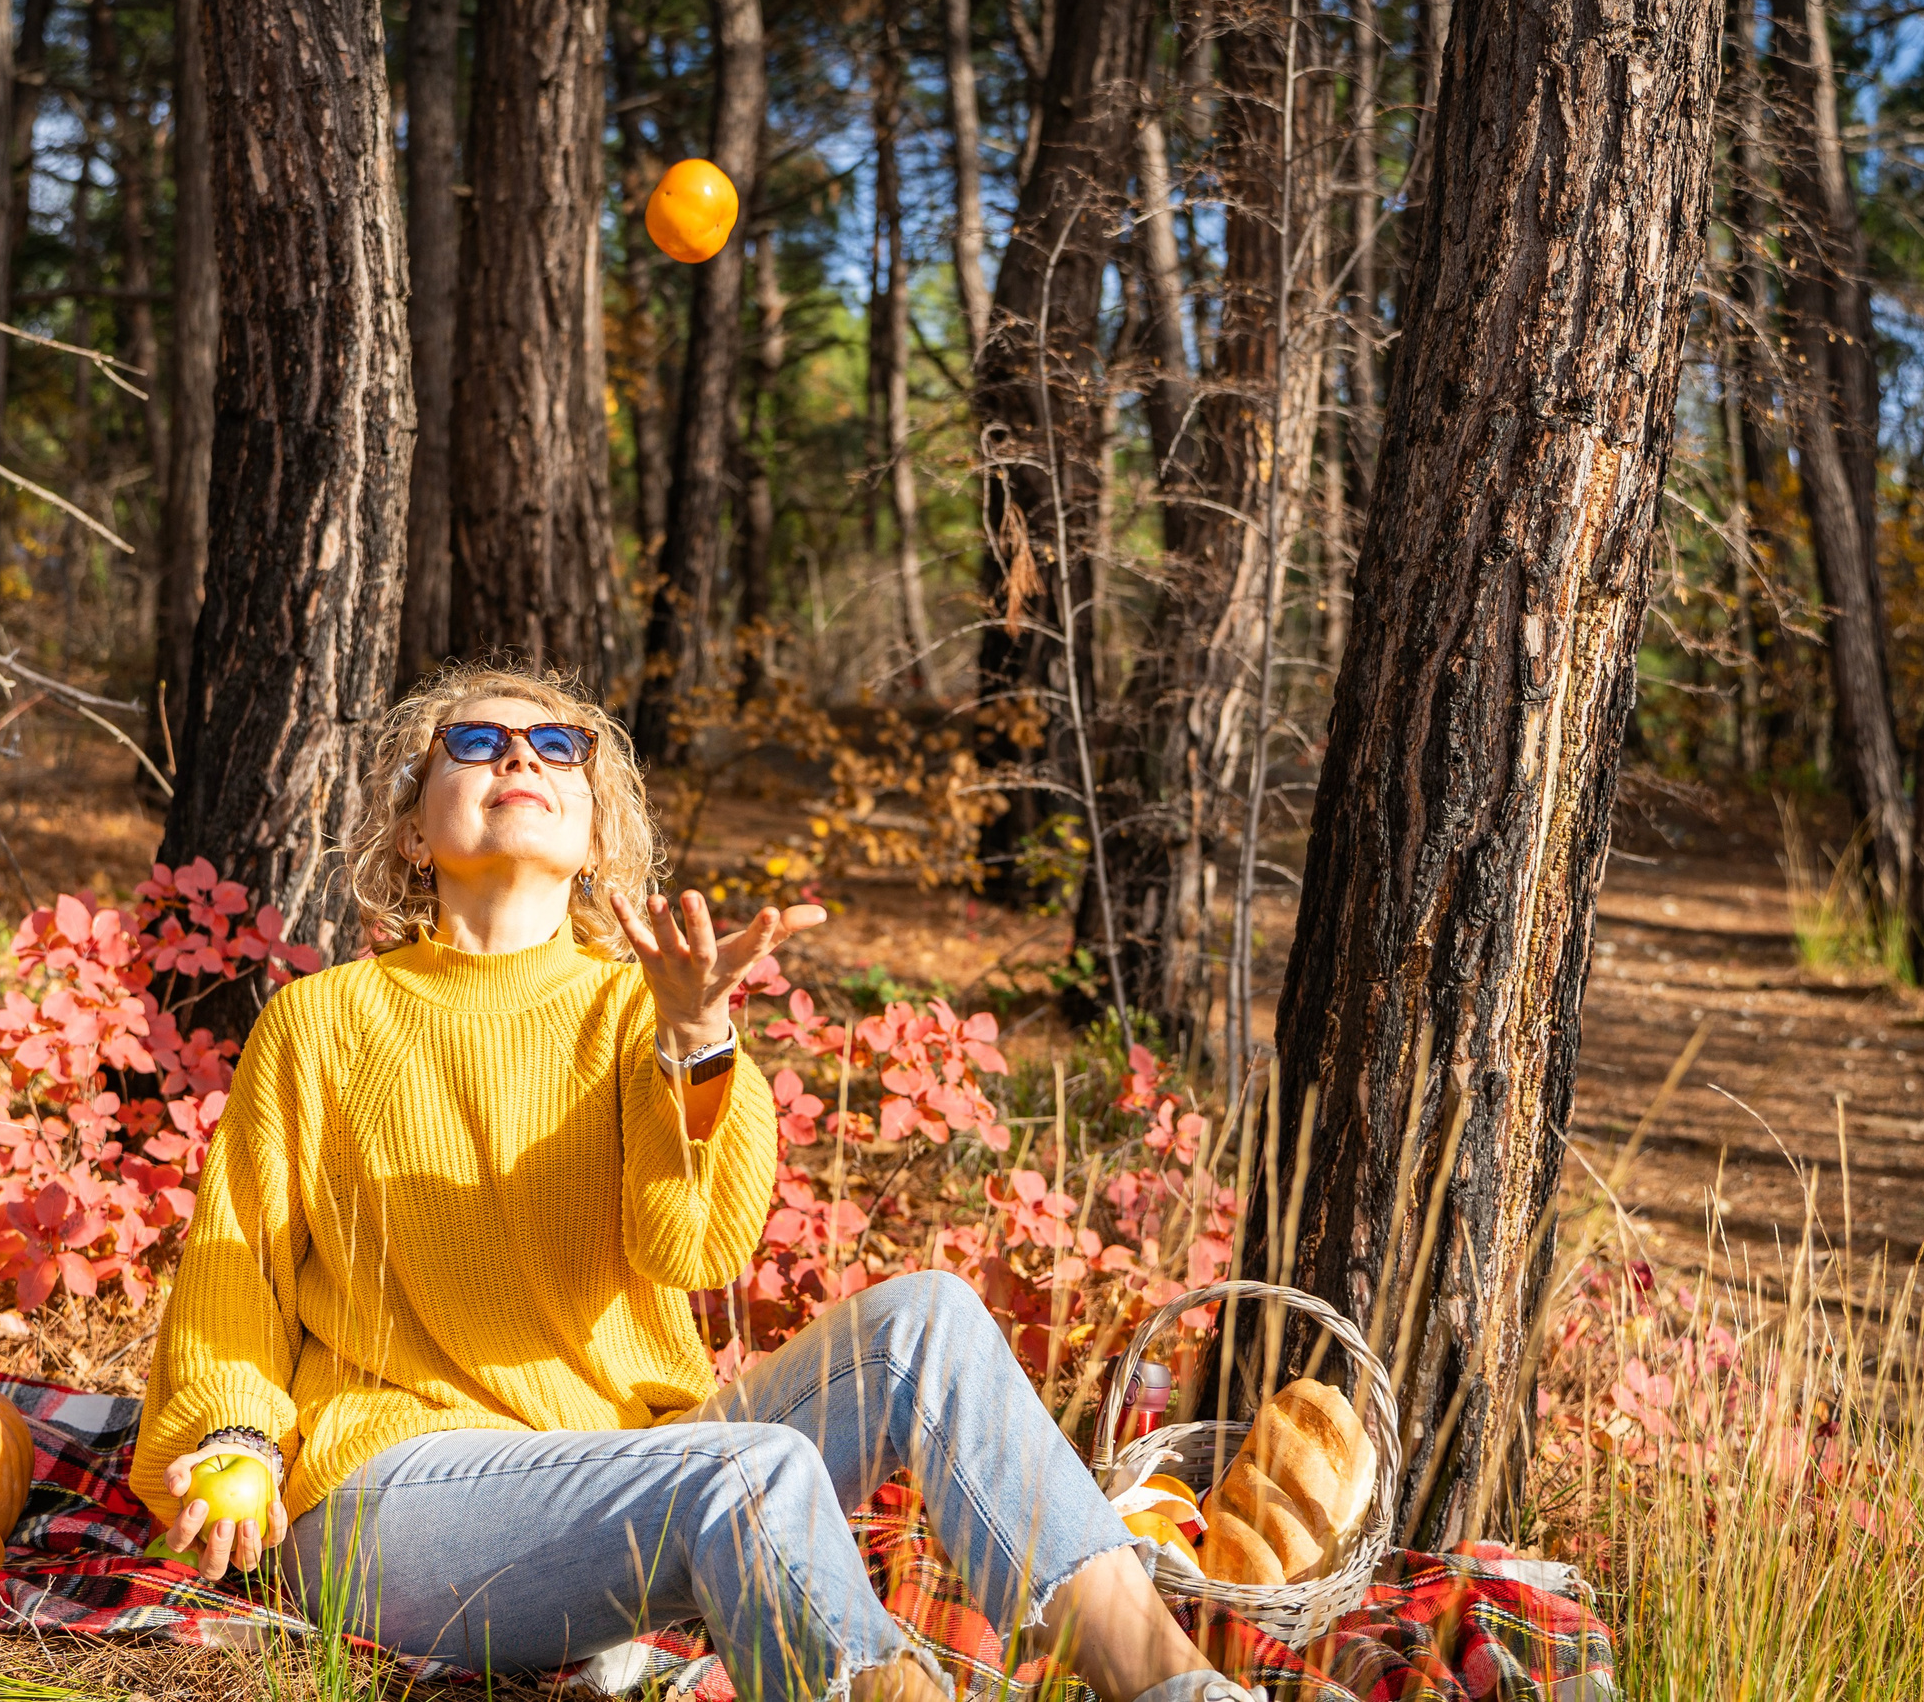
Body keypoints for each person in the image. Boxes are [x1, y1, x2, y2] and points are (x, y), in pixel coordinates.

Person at [131, 664, 1251, 1702]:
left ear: (596, 836)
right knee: (745, 1470)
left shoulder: (644, 1009)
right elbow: (238, 1266)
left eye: (557, 747)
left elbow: (696, 1249)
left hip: (628, 1469)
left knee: (930, 1322)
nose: (518, 756)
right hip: (393, 1499)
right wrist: (234, 1434)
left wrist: (698, 1044)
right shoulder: (324, 1021)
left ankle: (1175, 1688)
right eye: (474, 742)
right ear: (413, 830)